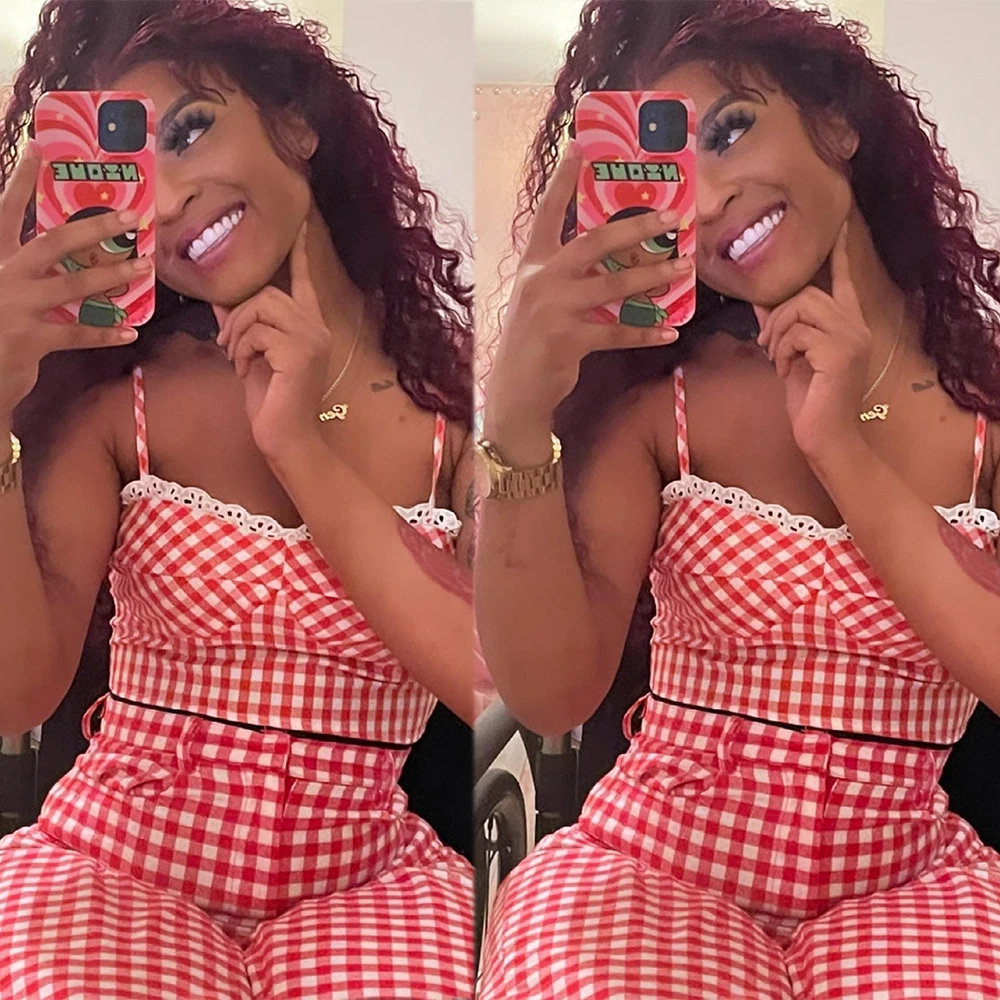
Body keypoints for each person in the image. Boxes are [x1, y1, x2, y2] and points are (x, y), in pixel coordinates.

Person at [475, 1, 1000, 996]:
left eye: (728, 131)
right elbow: (549, 696)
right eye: (669, 174)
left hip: (910, 884)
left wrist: (840, 449)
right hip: (653, 866)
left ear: (835, 122)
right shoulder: (665, 406)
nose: (708, 200)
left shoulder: (984, 416)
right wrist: (514, 414)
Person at [0, 1, 475, 997]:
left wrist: (299, 448)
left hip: (370, 886)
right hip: (116, 864)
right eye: (133, 174)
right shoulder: (122, 403)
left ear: (295, 122)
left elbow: (492, 685)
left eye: (189, 130)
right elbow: (17, 693)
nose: (170, 200)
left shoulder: (458, 420)